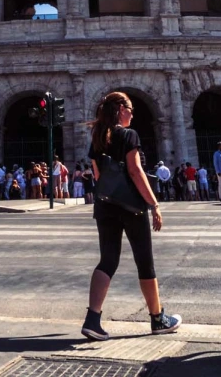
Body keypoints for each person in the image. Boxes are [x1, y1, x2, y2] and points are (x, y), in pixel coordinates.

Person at [81, 91, 180, 341]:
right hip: (131, 206)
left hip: (105, 205)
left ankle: (92, 319)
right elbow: (136, 171)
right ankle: (158, 319)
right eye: (131, 109)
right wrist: (154, 204)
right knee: (145, 261)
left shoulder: (98, 137)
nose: (133, 114)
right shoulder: (128, 135)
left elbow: (97, 174)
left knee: (108, 260)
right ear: (120, 110)